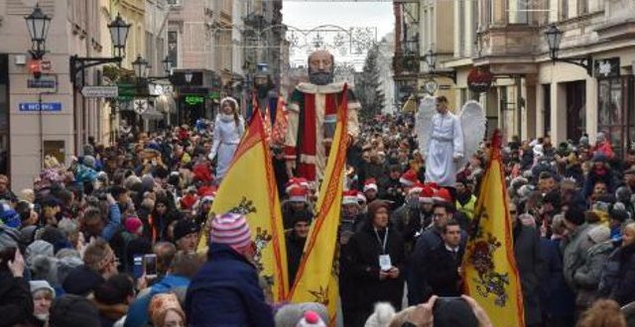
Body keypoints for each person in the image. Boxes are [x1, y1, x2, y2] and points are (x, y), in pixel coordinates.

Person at [284, 49, 361, 184]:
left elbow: (353, 124)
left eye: (325, 62)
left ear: (332, 66)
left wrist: (342, 140)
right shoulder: (300, 92)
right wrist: (290, 155)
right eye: (315, 63)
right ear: (309, 66)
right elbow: (292, 127)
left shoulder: (343, 92)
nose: (320, 67)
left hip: (336, 156)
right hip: (307, 158)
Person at [185, 212, 274, 326]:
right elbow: (260, 316)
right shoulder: (244, 273)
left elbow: (189, 314)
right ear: (244, 245)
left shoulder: (200, 275)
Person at [341, 200, 405, 326]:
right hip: (367, 296)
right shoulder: (358, 238)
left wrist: (399, 270)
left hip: (391, 295)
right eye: (379, 213)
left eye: (386, 213)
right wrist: (373, 272)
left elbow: (405, 261)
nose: (384, 216)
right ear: (371, 216)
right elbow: (351, 267)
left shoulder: (396, 236)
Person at [510, 201, 543, 327]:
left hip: (527, 290)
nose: (510, 215)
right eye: (506, 212)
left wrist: (533, 281)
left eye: (512, 212)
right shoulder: (496, 234)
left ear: (517, 214)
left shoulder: (530, 233)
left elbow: (539, 260)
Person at [421, 96, 464, 187]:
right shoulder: (434, 118)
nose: (436, 108)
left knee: (447, 171)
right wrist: (426, 150)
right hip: (434, 147)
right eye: (436, 105)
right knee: (431, 170)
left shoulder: (454, 119)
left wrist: (458, 152)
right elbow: (429, 134)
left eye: (438, 105)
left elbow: (458, 136)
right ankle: (431, 185)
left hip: (447, 148)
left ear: (445, 104)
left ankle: (446, 188)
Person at [208, 97, 245, 182]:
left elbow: (242, 136)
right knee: (223, 170)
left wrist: (243, 149)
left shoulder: (238, 120)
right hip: (224, 149)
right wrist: (213, 151)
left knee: (236, 170)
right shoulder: (219, 121)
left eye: (229, 106)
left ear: (233, 107)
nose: (227, 107)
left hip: (236, 148)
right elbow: (217, 138)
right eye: (225, 106)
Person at [424, 219, 464, 297]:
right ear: (443, 235)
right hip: (443, 298)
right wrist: (456, 273)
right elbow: (433, 279)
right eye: (451, 233)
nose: (456, 236)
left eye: (458, 232)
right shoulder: (434, 254)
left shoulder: (466, 253)